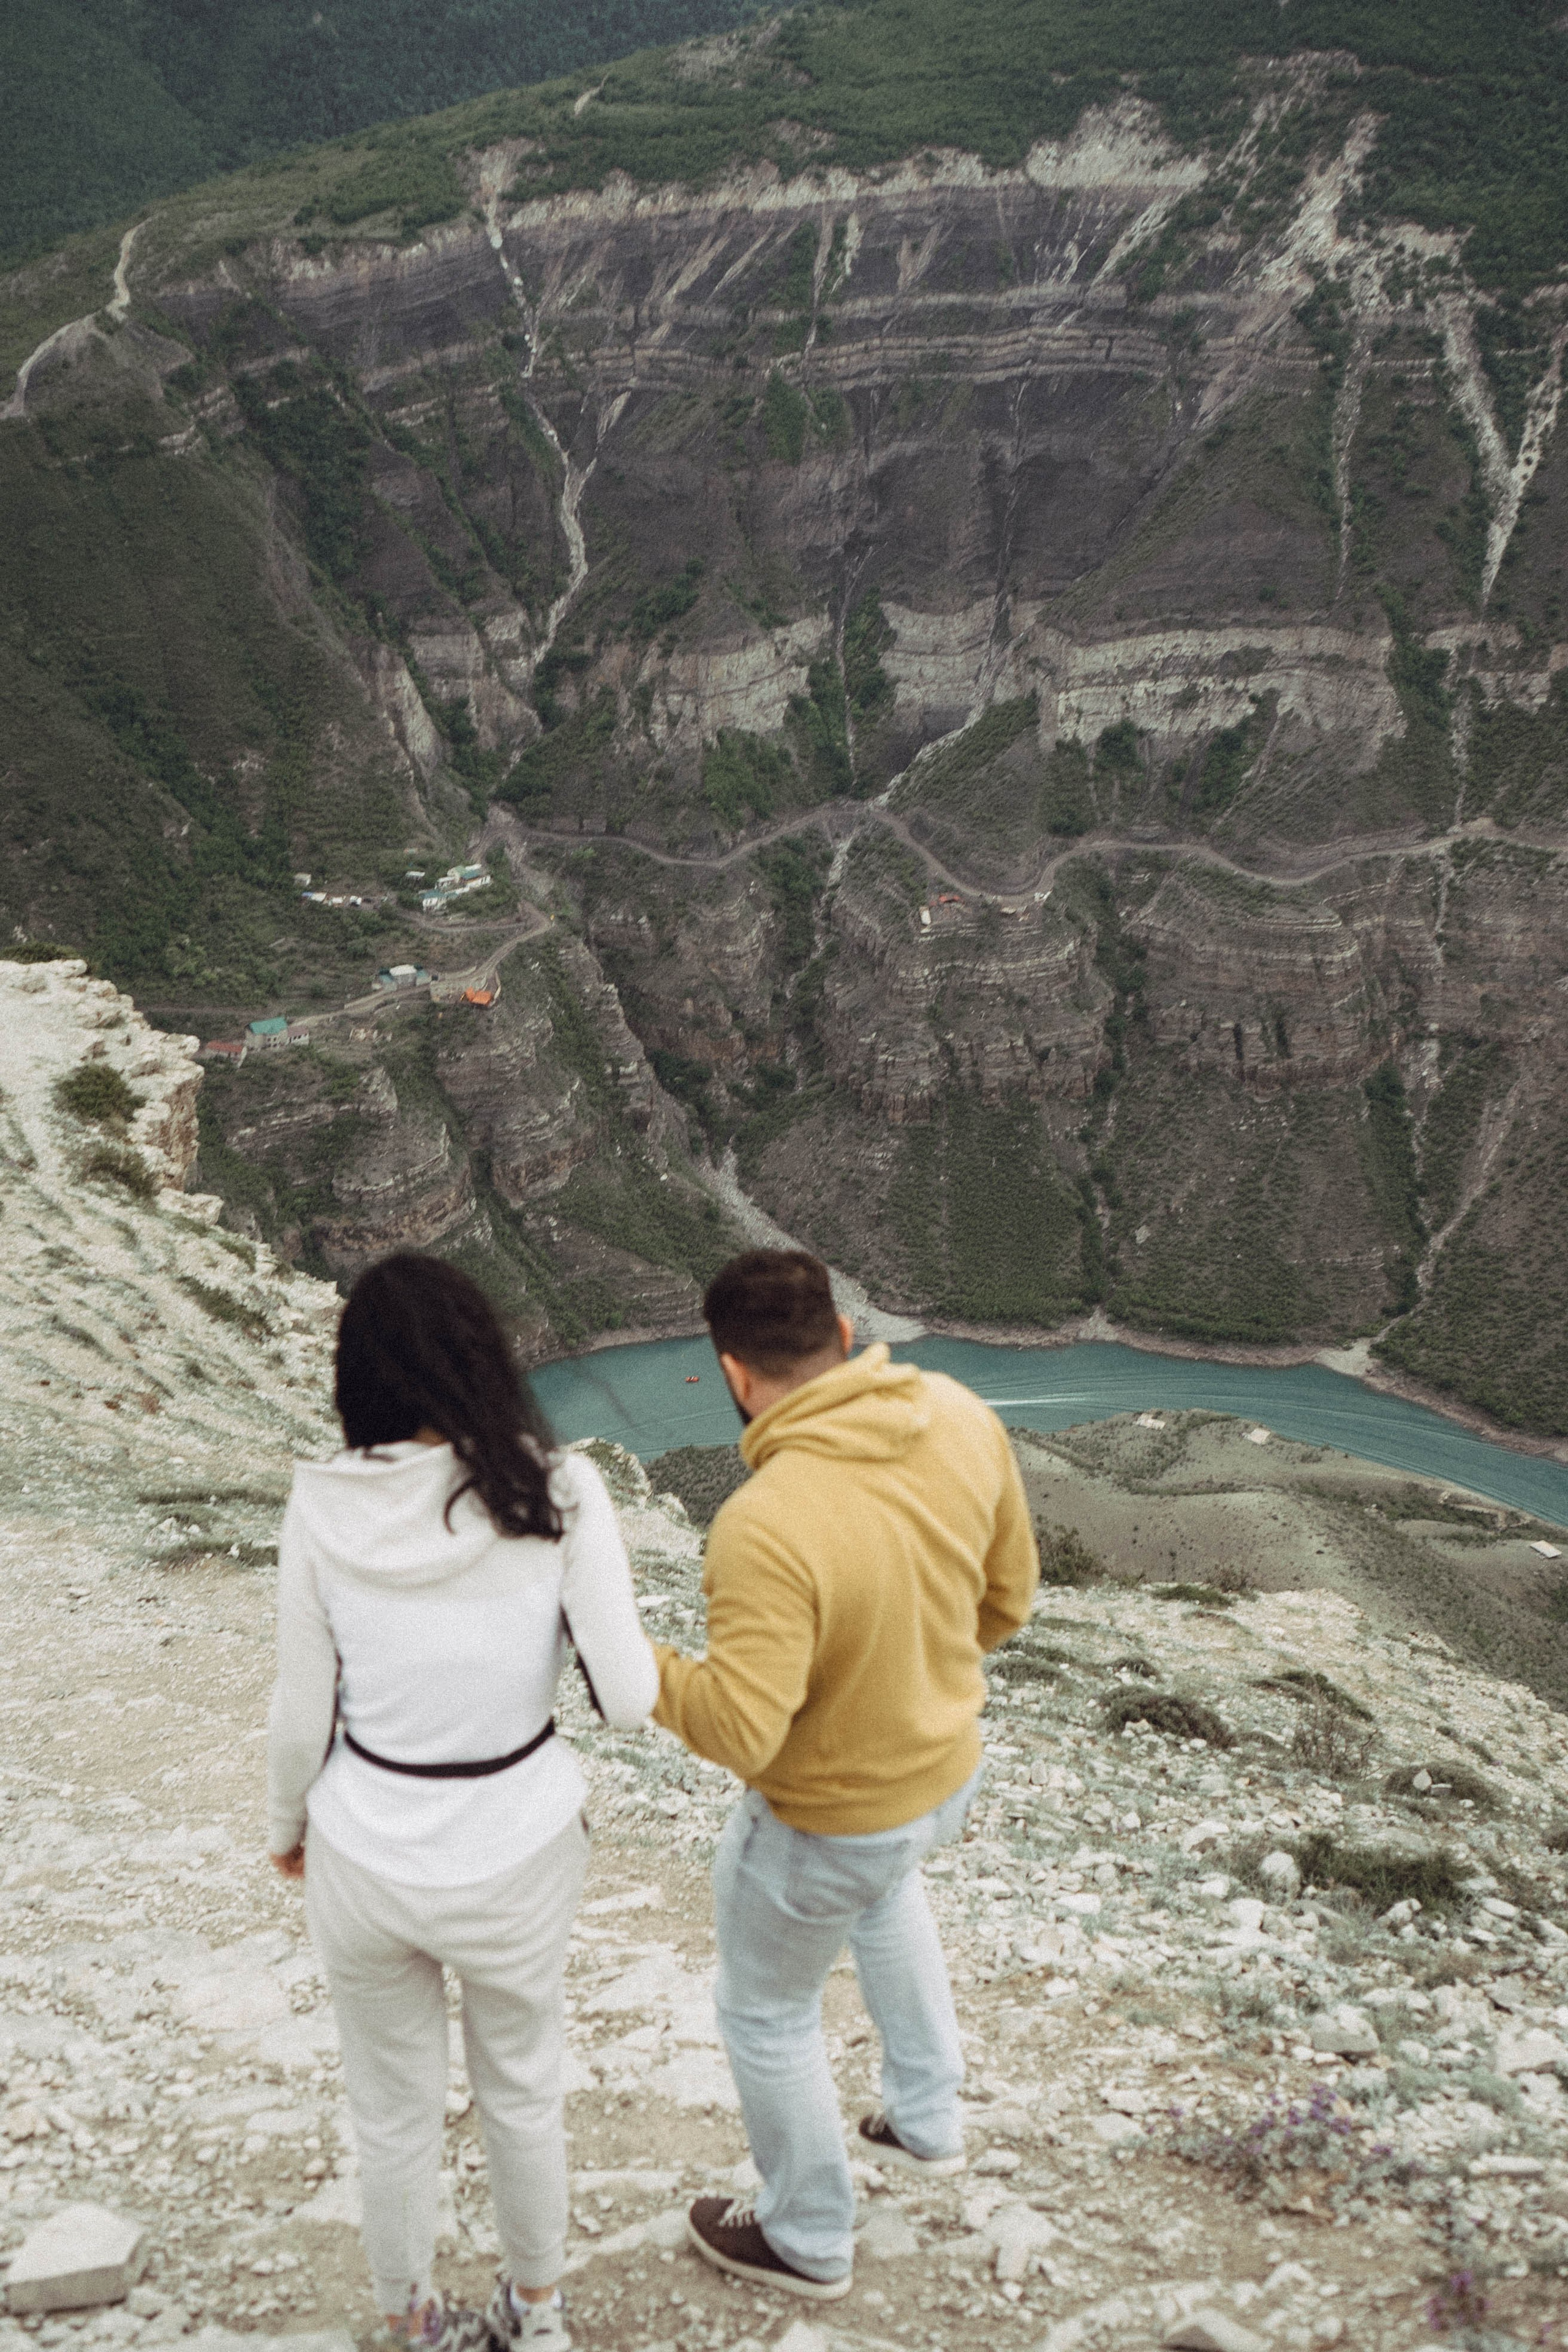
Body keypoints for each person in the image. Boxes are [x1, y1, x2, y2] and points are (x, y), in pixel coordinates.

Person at [266, 1253, 659, 2352]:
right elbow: (627, 1701)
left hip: (366, 1845)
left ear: (361, 1377)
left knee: (391, 2112)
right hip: (519, 1843)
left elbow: (301, 1714)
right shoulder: (560, 1488)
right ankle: (536, 2317)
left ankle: (412, 2319)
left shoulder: (320, 1503)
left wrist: (286, 1832)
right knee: (523, 2093)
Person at [650, 1248, 1039, 2299]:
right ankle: (926, 2117)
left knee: (765, 2013)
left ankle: (809, 2235)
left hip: (827, 1825)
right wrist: (909, 1687)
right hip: (943, 1775)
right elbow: (1006, 1602)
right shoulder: (960, 1414)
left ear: (734, 1374)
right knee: (889, 1888)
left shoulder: (765, 1523)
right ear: (846, 1337)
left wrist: (632, 1665)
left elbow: (739, 1729)